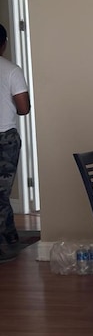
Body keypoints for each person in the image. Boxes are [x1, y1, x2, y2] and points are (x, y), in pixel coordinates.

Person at [0, 23, 31, 262]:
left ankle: (10, 236)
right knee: (1, 193)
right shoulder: (11, 70)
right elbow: (23, 108)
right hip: (4, 138)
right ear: (4, 43)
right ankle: (6, 239)